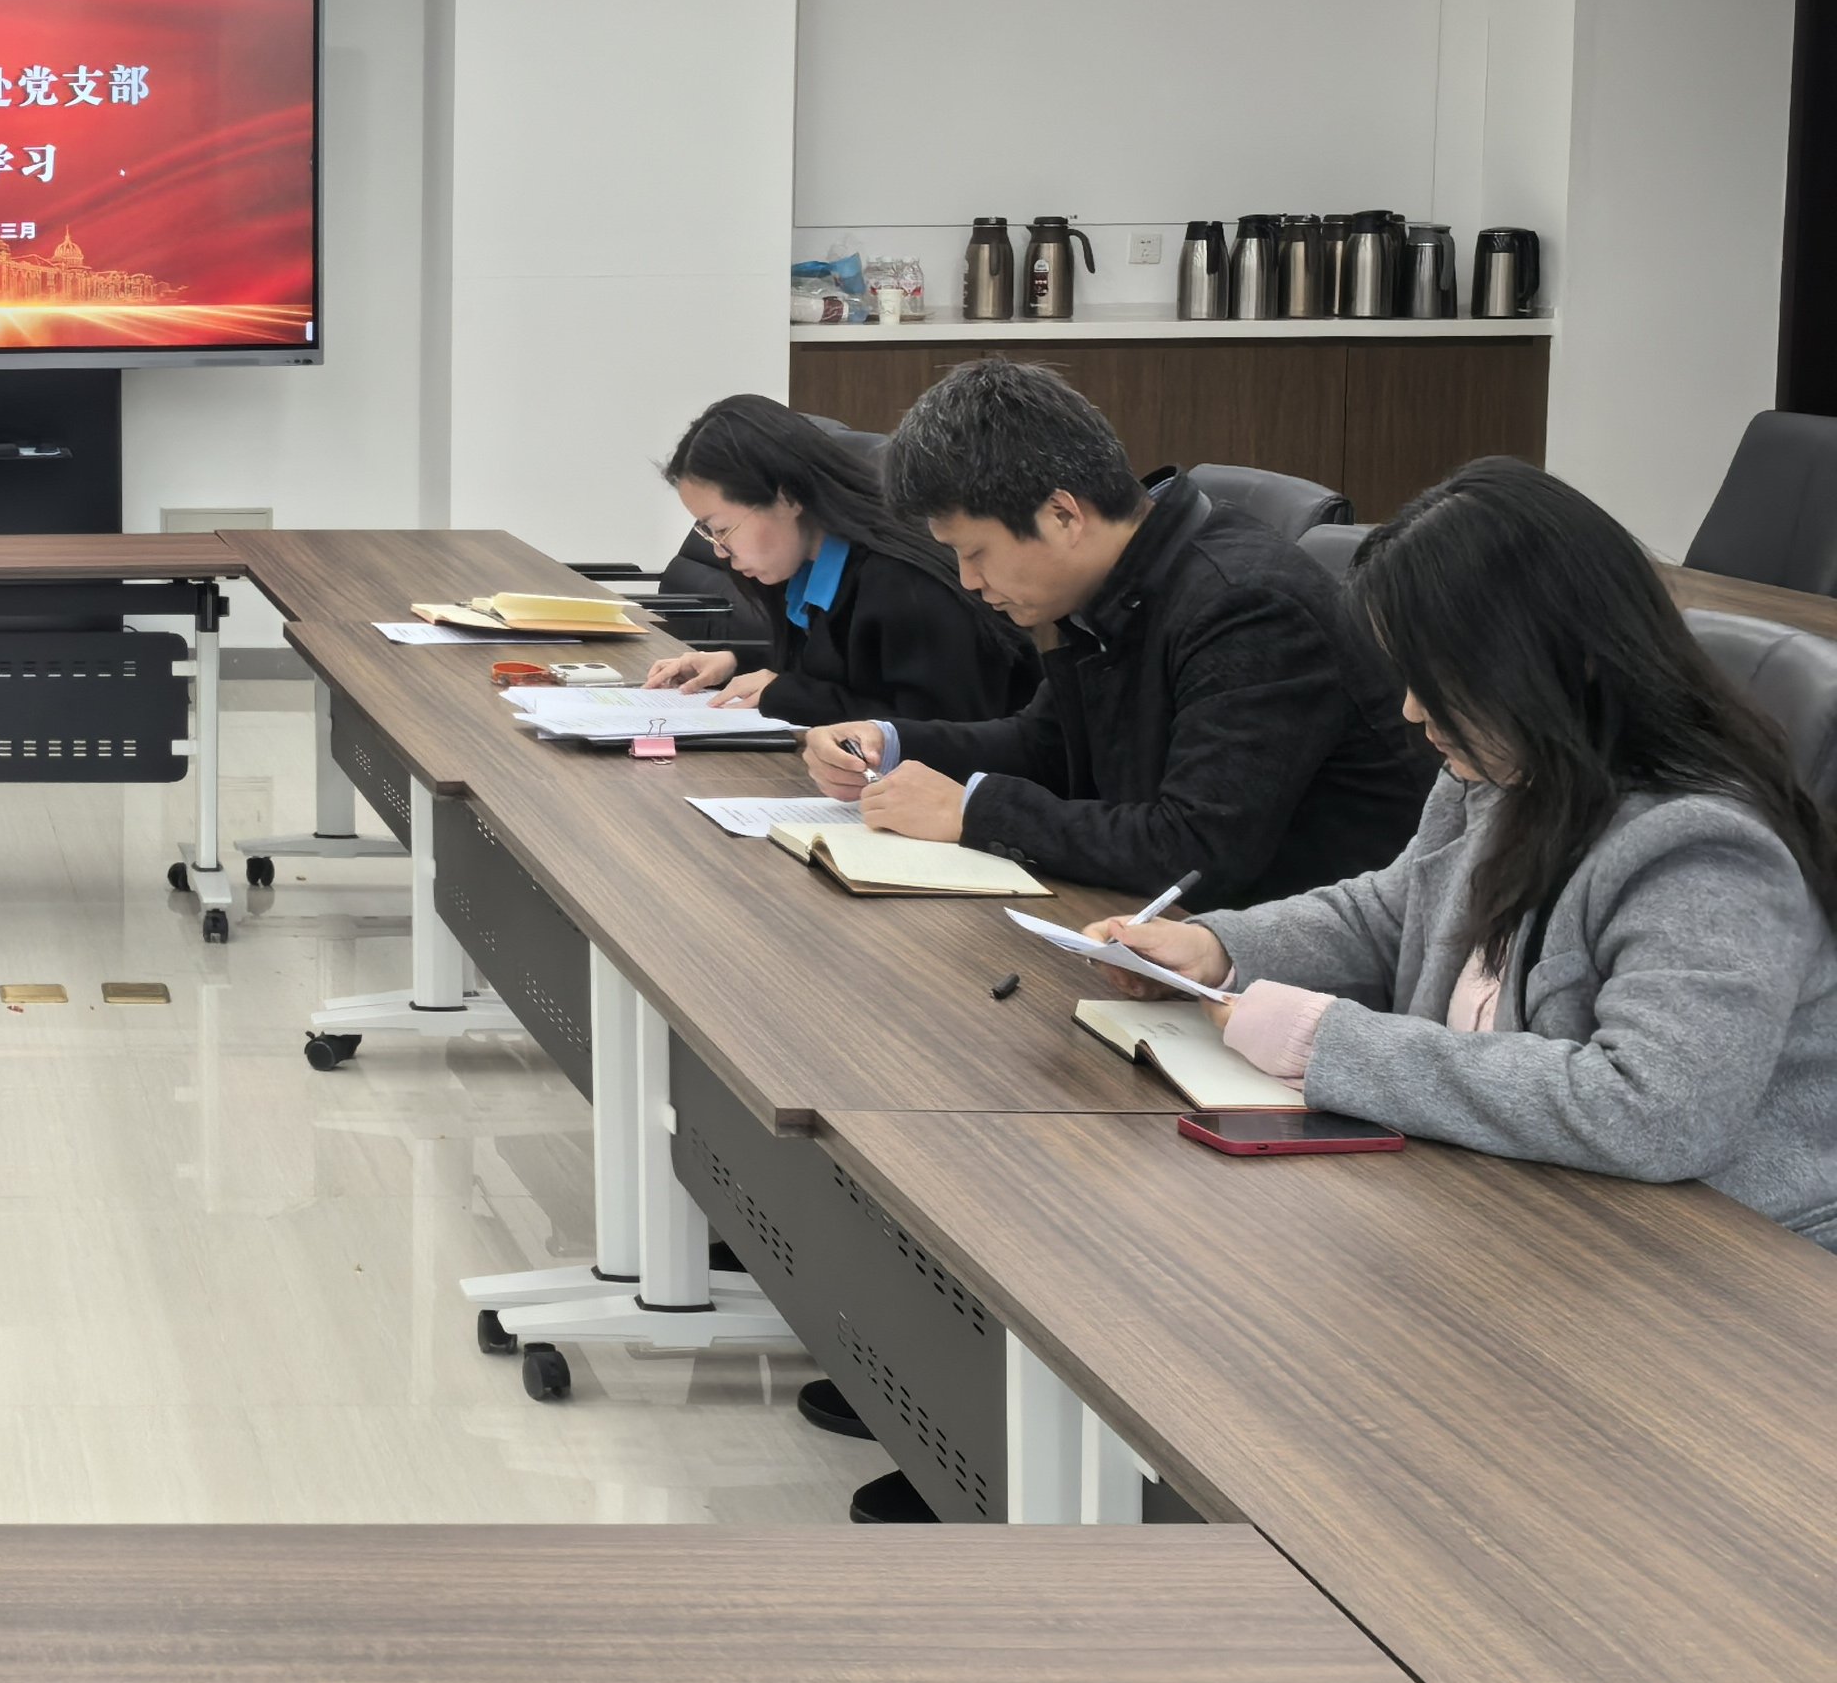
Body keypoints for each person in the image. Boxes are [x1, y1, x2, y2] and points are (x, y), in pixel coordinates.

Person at [1088, 460, 1837, 1245]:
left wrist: (1330, 1042)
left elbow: (1652, 1111)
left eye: (1440, 680)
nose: (1414, 711)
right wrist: (1217, 948)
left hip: (1715, 1256)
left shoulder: (1703, 849)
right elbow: (1390, 915)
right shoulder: (1498, 773)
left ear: (1558, 657)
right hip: (1518, 1199)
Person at [800, 359, 1431, 905]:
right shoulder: (1122, 581)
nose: (969, 580)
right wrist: (889, 743)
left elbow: (1194, 851)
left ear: (1062, 515)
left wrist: (970, 811)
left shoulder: (1247, 607)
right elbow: (1045, 745)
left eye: (977, 552)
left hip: (1286, 955)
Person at [640, 395, 1031, 726]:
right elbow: (840, 672)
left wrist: (788, 694)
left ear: (787, 497)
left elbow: (939, 729)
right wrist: (735, 663)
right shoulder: (807, 573)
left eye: (722, 529)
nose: (719, 551)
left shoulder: (905, 585)